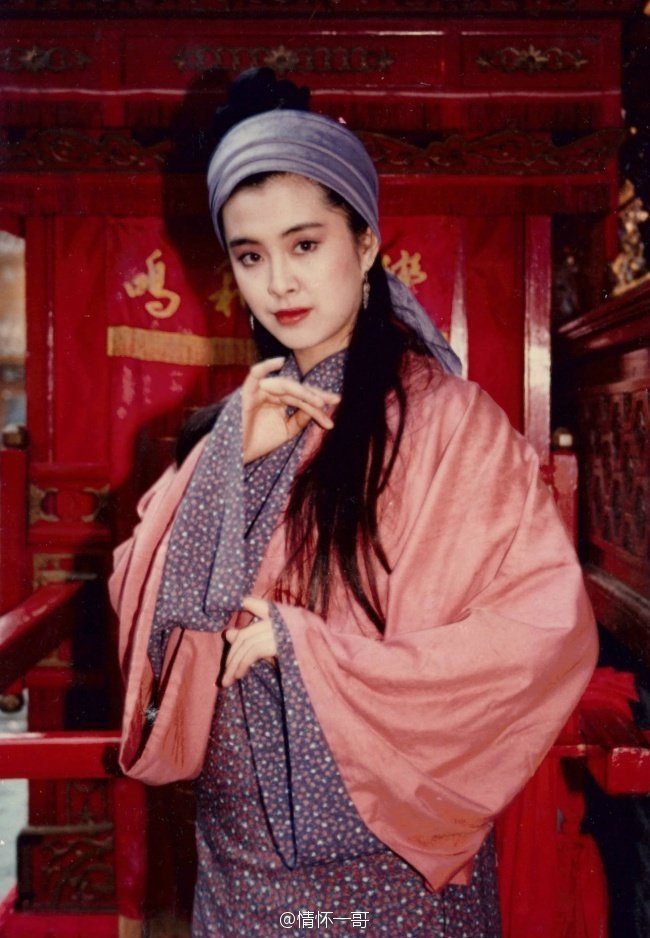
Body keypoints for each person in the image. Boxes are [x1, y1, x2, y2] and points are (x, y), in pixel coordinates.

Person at [110, 70, 598, 937]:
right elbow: (154, 610)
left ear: (366, 243)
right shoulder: (229, 429)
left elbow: (543, 633)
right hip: (238, 857)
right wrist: (226, 465)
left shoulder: (453, 423)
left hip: (391, 862)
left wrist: (308, 652)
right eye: (250, 255)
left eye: (305, 244)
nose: (279, 282)